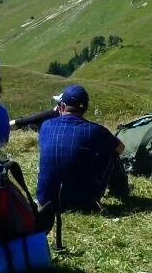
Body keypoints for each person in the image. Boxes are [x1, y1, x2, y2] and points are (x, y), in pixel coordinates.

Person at [35, 84, 125, 212]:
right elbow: (121, 148)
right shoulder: (95, 130)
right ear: (85, 108)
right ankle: (121, 190)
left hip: (46, 201)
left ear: (62, 106)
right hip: (82, 203)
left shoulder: (45, 125)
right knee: (112, 151)